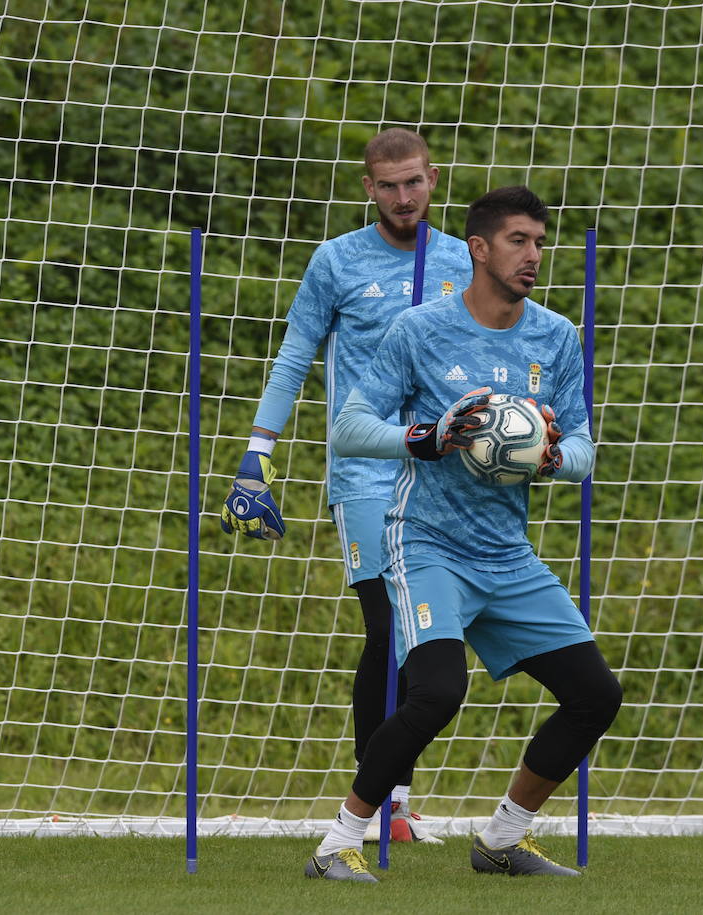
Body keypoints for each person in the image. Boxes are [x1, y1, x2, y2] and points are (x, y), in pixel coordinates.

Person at [309, 186, 621, 882]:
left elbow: (584, 451)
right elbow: (350, 426)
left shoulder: (556, 336)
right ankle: (338, 841)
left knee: (595, 694)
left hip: (507, 553)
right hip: (427, 544)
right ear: (478, 248)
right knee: (437, 691)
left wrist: (549, 456)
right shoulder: (420, 331)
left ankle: (503, 839)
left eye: (540, 242)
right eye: (518, 240)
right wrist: (427, 436)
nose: (533, 255)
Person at [219, 128, 472, 843]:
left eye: (414, 182)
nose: (403, 197)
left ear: (433, 178)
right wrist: (255, 456)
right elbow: (295, 356)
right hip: (364, 473)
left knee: (429, 639)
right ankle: (380, 804)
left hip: (445, 476)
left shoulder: (461, 259)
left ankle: (396, 800)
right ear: (368, 188)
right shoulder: (336, 261)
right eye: (388, 185)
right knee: (388, 628)